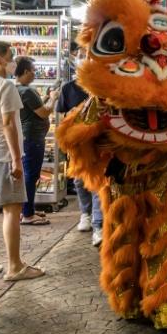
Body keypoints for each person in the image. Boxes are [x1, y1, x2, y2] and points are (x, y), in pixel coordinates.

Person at [0, 41, 46, 282]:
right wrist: (16, 159)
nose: (12, 61)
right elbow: (8, 124)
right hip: (3, 156)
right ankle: (15, 266)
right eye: (10, 56)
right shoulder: (5, 87)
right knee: (12, 211)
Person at [57, 44, 103, 246]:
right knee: (78, 180)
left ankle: (98, 224)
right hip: (77, 143)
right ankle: (85, 214)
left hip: (100, 141)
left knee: (97, 181)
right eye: (82, 55)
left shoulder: (101, 86)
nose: (84, 58)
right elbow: (62, 114)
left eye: (88, 55)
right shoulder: (68, 88)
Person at [14, 57, 59, 226]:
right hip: (33, 139)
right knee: (30, 176)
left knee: (27, 175)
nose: (34, 73)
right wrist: (53, 98)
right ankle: (27, 214)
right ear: (25, 71)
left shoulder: (17, 89)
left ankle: (27, 209)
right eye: (33, 70)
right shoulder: (27, 91)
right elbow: (44, 113)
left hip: (27, 138)